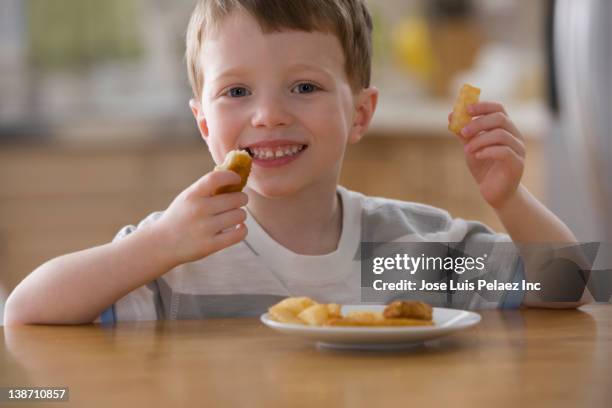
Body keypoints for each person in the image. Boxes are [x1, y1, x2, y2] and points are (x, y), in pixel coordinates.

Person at [4, 0, 587, 326]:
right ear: (204, 123)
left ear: (359, 114)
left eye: (304, 87)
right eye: (236, 92)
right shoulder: (182, 253)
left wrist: (511, 197)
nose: (267, 116)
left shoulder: (414, 251)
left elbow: (569, 285)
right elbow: (25, 311)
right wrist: (155, 247)